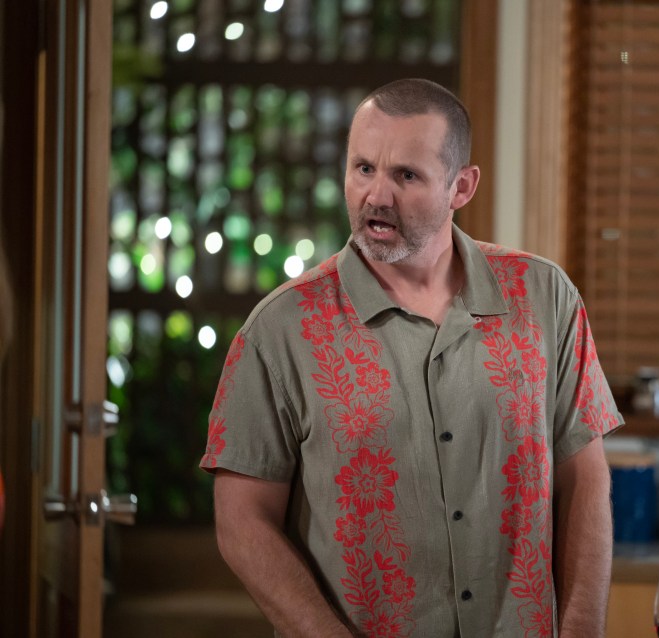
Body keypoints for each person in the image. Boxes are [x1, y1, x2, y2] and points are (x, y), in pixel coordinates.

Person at [201, 78, 623, 638]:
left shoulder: (546, 300)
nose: (377, 195)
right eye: (363, 168)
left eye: (406, 175)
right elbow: (241, 524)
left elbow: (586, 483)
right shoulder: (279, 331)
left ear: (462, 187)